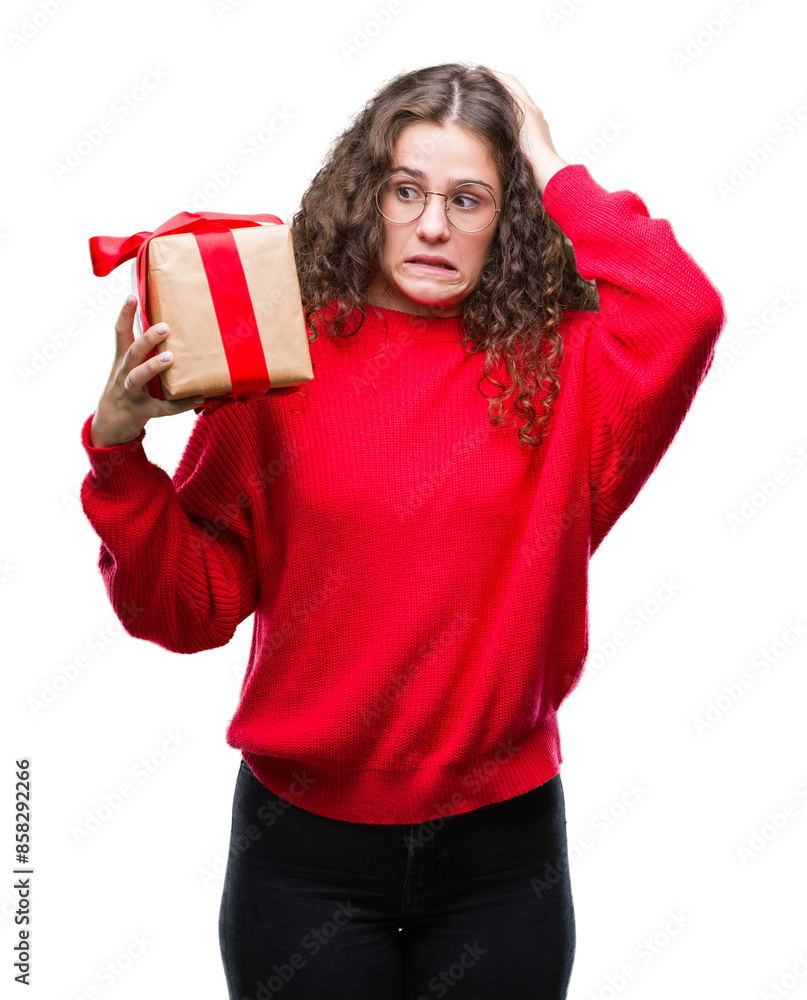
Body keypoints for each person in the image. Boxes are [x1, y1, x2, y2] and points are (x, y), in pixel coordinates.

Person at [80, 63, 726, 1000]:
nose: (432, 224)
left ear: (511, 217)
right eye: (407, 190)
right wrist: (118, 452)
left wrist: (546, 158)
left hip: (501, 858)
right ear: (366, 194)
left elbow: (684, 308)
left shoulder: (562, 371)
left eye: (470, 199)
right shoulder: (281, 357)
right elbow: (186, 609)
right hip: (301, 858)